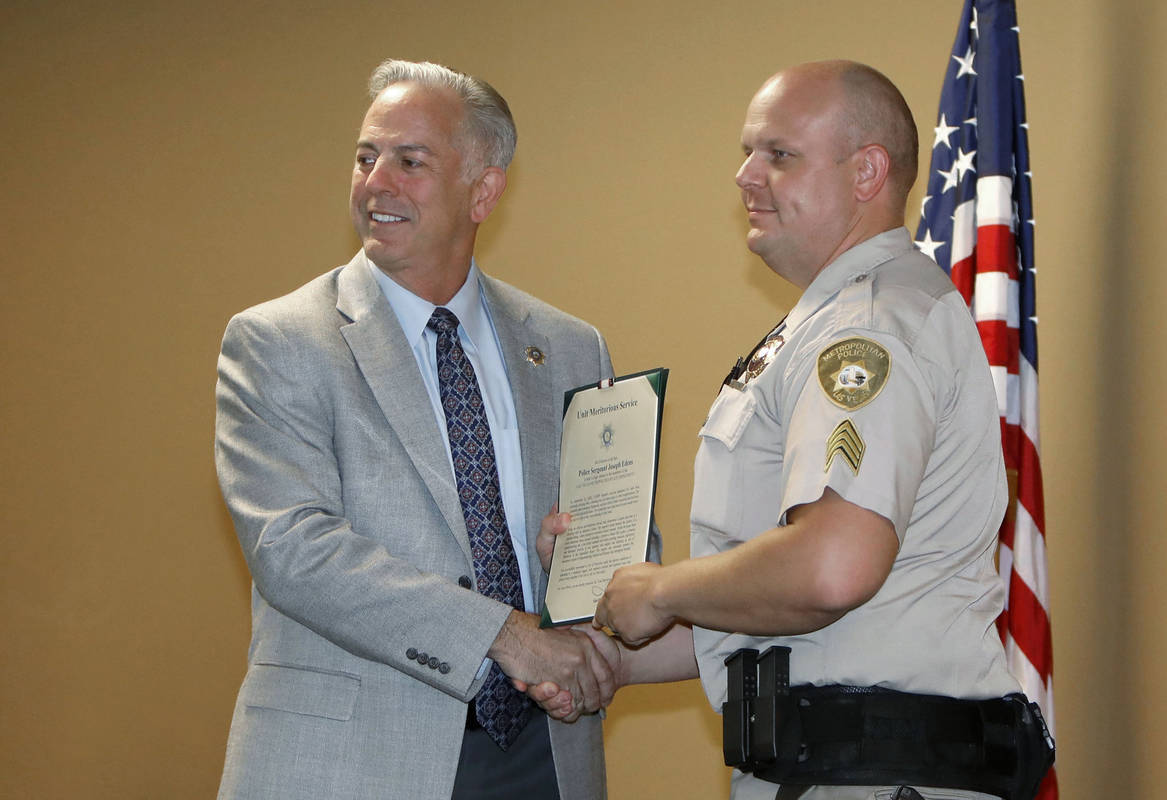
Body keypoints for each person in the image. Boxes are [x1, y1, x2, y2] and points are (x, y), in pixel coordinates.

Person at [529, 61, 1050, 800]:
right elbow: (777, 601)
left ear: (867, 172)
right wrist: (614, 658)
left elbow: (833, 566)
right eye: (747, 151)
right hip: (830, 767)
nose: (745, 175)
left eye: (779, 155)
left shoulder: (873, 326)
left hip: (875, 771)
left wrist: (664, 587)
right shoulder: (825, 323)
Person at [214, 59, 638, 800]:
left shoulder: (571, 348)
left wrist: (586, 622)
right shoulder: (279, 341)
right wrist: (506, 636)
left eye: (410, 161)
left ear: (484, 190)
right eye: (365, 156)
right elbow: (294, 548)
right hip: (351, 761)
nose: (377, 182)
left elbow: (620, 541)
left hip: (547, 756)